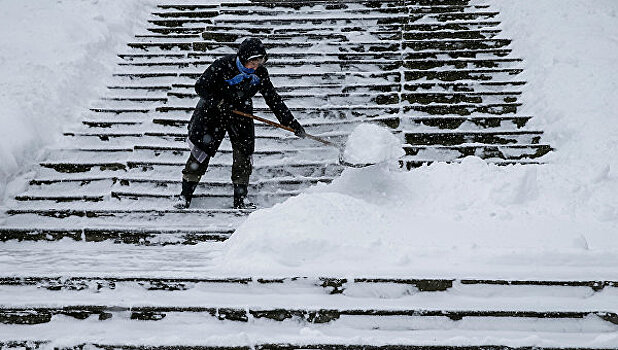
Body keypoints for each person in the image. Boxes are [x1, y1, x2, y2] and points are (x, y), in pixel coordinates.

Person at [174, 38, 305, 209]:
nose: (256, 66)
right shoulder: (223, 65)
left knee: (243, 153)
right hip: (212, 113)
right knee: (201, 152)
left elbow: (274, 100)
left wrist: (291, 123)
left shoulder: (260, 74)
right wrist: (218, 102)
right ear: (243, 58)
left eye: (259, 62)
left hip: (241, 113)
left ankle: (240, 198)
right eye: (253, 62)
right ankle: (185, 195)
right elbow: (201, 87)